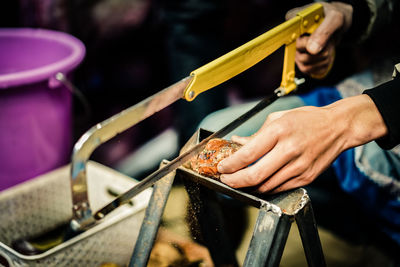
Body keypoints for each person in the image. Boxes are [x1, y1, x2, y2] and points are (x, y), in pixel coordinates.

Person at [199, 0, 400, 258]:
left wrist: (364, 116)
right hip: (369, 86)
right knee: (211, 133)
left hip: (382, 118)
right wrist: (352, 13)